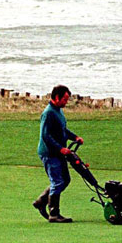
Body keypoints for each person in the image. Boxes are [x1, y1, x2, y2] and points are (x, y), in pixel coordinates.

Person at [34, 84, 83, 223]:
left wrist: (74, 137)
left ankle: (41, 201)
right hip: (50, 153)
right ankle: (54, 213)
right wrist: (60, 148)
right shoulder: (48, 113)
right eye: (65, 99)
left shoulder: (58, 111)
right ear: (56, 97)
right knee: (57, 181)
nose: (66, 102)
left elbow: (62, 130)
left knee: (65, 180)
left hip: (59, 152)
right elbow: (46, 135)